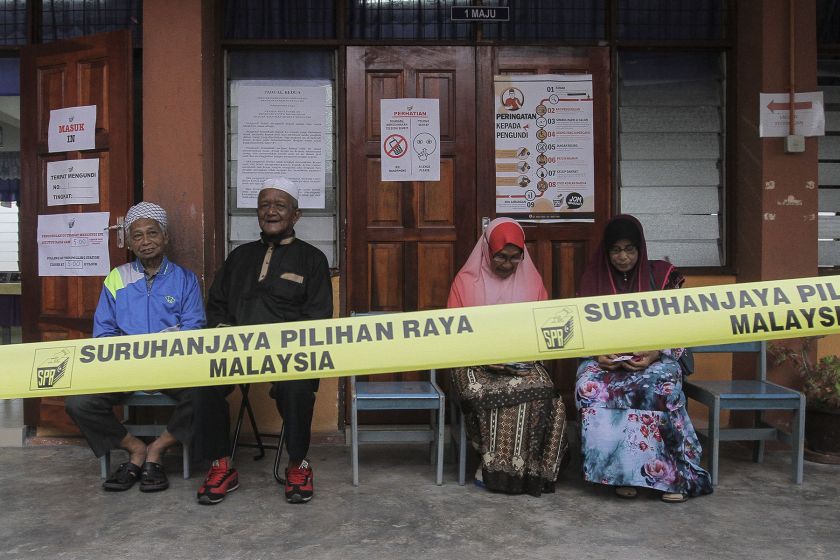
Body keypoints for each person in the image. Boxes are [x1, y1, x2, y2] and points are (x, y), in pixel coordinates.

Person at [193, 178, 333, 505]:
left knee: (298, 386)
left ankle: (298, 464)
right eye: (264, 205)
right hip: (237, 351)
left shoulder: (312, 260)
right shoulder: (239, 257)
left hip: (288, 354)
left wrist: (286, 345)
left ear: (295, 215)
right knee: (202, 384)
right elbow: (216, 307)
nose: (270, 211)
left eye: (279, 205)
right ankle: (221, 464)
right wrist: (227, 333)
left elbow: (318, 317)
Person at [65, 202, 206, 492]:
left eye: (152, 233)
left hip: (173, 366)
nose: (145, 241)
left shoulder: (185, 280)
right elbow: (103, 333)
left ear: (165, 237)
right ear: (129, 242)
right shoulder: (117, 279)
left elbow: (195, 327)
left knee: (209, 394)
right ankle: (135, 449)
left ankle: (158, 448)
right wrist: (129, 359)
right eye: (137, 236)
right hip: (125, 367)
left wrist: (165, 355)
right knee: (79, 402)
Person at [575, 214, 713, 503]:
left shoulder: (662, 277)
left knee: (657, 385)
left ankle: (674, 477)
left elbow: (680, 326)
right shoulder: (592, 279)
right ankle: (622, 474)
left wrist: (654, 353)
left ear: (640, 249)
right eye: (616, 250)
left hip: (655, 356)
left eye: (629, 249)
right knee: (590, 385)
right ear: (606, 251)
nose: (623, 257)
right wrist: (599, 355)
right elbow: (580, 331)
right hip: (607, 360)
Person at [447, 217, 568, 496]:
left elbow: (543, 328)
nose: (507, 264)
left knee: (543, 392)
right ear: (488, 251)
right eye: (500, 257)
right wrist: (484, 358)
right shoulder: (465, 283)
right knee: (492, 393)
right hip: (471, 360)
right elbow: (453, 334)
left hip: (520, 357)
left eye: (515, 258)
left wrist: (521, 354)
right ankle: (493, 467)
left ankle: (534, 470)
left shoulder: (532, 280)